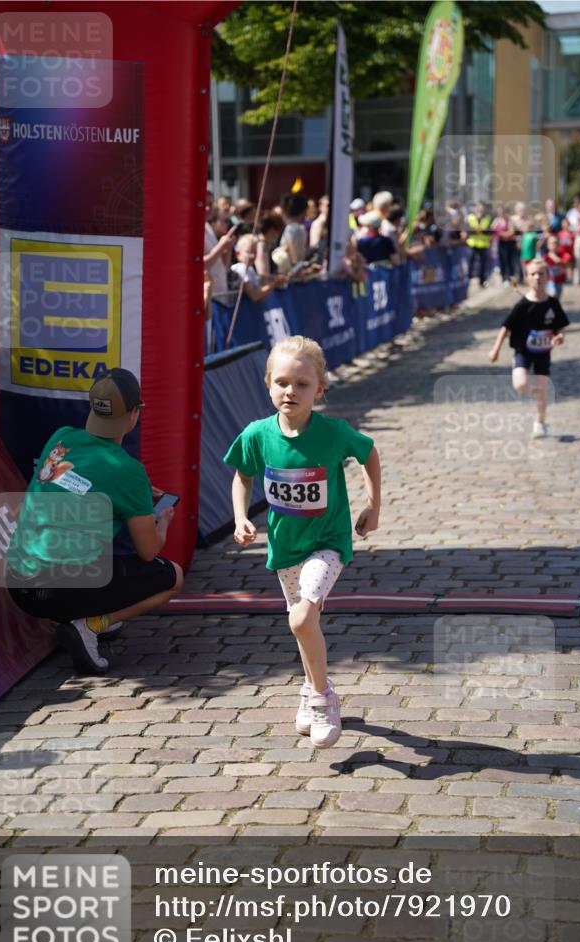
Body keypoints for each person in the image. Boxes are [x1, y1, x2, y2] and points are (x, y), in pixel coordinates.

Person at [224, 336, 381, 748]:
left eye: (302, 384)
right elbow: (242, 475)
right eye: (281, 382)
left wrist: (373, 506)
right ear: (268, 385)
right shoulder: (257, 435)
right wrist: (240, 517)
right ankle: (312, 688)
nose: (290, 391)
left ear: (321, 389)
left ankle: (323, 698)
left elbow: (369, 454)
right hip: (285, 547)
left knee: (299, 618)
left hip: (328, 542)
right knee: (306, 623)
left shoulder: (332, 433)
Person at [5, 369, 184, 674]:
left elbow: (70, 483)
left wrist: (136, 497)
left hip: (18, 582)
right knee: (173, 577)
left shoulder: (61, 437)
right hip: (58, 592)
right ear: (134, 414)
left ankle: (91, 615)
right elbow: (148, 551)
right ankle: (90, 625)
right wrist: (162, 519)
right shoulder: (128, 470)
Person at [488, 258, 569, 439]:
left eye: (541, 273)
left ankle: (540, 422)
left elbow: (560, 326)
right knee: (520, 384)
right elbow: (505, 328)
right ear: (527, 278)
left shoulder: (553, 304)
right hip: (522, 350)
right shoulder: (523, 305)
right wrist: (496, 350)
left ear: (548, 276)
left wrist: (559, 336)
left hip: (543, 353)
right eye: (533, 274)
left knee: (541, 390)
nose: (537, 277)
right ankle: (537, 390)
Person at [231, 234, 287, 301]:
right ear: (238, 253)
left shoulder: (250, 269)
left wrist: (275, 279)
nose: (252, 255)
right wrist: (274, 284)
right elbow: (254, 296)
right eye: (248, 252)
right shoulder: (240, 269)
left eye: (255, 252)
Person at [204, 191, 236, 298]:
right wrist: (221, 246)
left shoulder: (207, 227)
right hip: (208, 297)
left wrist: (227, 248)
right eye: (204, 204)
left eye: (210, 204)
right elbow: (201, 266)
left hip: (220, 294)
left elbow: (223, 265)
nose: (208, 208)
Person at [465, 200, 493, 286]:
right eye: (479, 206)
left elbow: (490, 230)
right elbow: (467, 229)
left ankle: (482, 281)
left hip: (483, 244)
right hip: (472, 243)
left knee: (483, 264)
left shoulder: (488, 217)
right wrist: (475, 231)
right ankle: (468, 280)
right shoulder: (470, 216)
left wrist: (481, 231)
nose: (480, 208)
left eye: (482, 206)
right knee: (470, 262)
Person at [491, 206, 517, 286]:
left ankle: (510, 279)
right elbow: (492, 228)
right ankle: (504, 278)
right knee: (502, 261)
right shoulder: (497, 220)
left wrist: (502, 234)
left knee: (509, 262)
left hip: (508, 243)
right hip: (500, 243)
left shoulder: (509, 220)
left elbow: (511, 231)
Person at [543, 234, 570, 299]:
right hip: (550, 281)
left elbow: (566, 261)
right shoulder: (545, 257)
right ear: (548, 245)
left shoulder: (562, 254)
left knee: (557, 298)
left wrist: (554, 257)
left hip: (559, 281)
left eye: (556, 243)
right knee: (552, 294)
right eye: (552, 243)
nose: (554, 245)